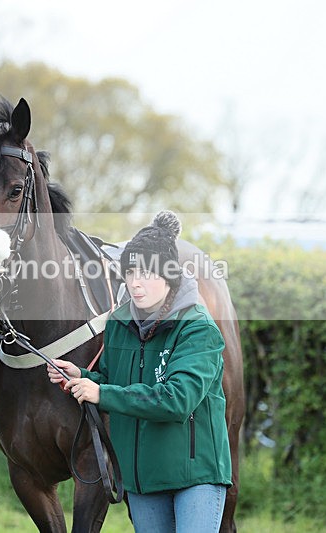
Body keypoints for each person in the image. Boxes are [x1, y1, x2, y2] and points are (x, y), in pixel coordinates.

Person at [47, 211, 232, 532]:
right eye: (130, 272)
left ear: (169, 275)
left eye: (146, 273)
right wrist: (82, 378)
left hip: (197, 477)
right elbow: (115, 382)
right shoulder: (119, 324)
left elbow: (177, 400)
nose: (135, 282)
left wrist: (101, 392)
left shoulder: (197, 328)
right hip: (143, 479)